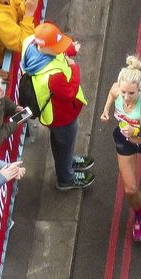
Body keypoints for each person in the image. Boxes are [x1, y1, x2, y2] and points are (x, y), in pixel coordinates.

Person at [99, 56, 141, 242]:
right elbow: (112, 94)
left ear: (140, 89)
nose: (126, 97)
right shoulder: (117, 90)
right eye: (124, 92)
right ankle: (140, 215)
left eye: (131, 93)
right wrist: (106, 110)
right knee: (130, 189)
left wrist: (137, 130)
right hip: (125, 140)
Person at [21, 22, 96, 190]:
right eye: (57, 46)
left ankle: (67, 162)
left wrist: (71, 50)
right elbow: (70, 90)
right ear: (46, 47)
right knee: (64, 145)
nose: (61, 48)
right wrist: (73, 67)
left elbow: (57, 52)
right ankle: (66, 179)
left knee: (61, 144)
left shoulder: (31, 43)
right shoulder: (53, 75)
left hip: (54, 115)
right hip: (62, 116)